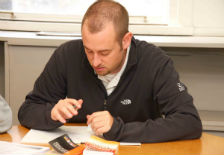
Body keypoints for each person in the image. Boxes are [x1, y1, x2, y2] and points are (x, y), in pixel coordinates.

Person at [18, 0, 202, 143]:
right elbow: (27, 111)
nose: (95, 61)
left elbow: (189, 122)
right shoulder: (67, 55)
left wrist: (118, 129)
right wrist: (51, 114)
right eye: (88, 50)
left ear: (126, 41)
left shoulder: (155, 62)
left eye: (104, 52)